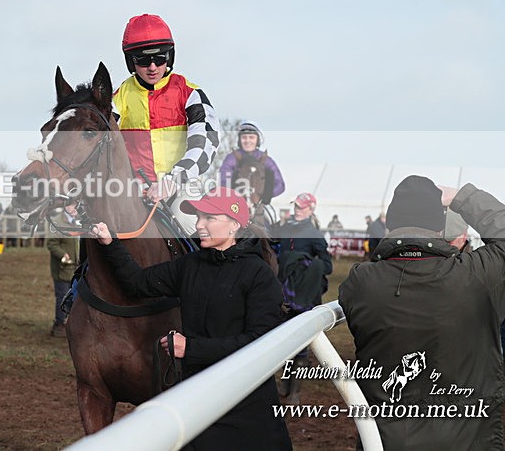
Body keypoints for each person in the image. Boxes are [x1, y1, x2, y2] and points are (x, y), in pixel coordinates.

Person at [91, 187, 292, 450]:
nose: (199, 225)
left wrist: (191, 348)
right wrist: (110, 243)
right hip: (197, 398)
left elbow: (259, 344)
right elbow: (138, 283)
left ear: (234, 224)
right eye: (198, 217)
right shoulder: (191, 264)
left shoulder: (259, 275)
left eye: (209, 218)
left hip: (246, 404)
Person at [339, 175, 505, 450]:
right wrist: (461, 197)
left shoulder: (360, 282)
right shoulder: (476, 276)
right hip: (469, 438)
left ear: (391, 225)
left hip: (388, 439)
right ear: (439, 228)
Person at [113, 13, 220, 236]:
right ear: (131, 61)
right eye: (143, 60)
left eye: (160, 59)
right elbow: (97, 141)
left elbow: (205, 142)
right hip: (134, 190)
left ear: (169, 57)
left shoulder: (191, 93)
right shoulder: (118, 97)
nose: (152, 67)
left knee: (188, 221)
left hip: (181, 187)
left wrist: (174, 179)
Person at [274, 192, 332, 405]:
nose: (297, 209)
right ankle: (285, 384)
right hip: (284, 291)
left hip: (304, 295)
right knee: (285, 337)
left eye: (301, 206)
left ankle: (295, 392)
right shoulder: (285, 228)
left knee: (302, 344)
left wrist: (305, 266)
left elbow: (327, 265)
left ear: (311, 209)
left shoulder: (313, 233)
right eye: (296, 205)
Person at [218, 121, 285, 216]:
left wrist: (263, 196)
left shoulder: (267, 160)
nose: (247, 141)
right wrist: (238, 198)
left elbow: (280, 185)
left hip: (259, 205)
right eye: (244, 137)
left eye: (251, 137)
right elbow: (224, 181)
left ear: (257, 140)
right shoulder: (231, 158)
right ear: (239, 140)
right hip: (235, 203)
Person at [45, 205, 80, 338]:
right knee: (62, 296)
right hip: (62, 268)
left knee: (75, 297)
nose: (76, 208)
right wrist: (63, 255)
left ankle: (69, 323)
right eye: (73, 205)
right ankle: (60, 325)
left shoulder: (79, 221)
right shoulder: (57, 222)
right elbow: (51, 243)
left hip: (76, 267)